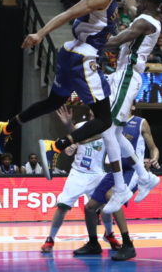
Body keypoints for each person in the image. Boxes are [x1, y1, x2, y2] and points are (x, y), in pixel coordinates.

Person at [0, 0, 129, 209]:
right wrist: (40, 33)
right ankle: (57, 146)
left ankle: (8, 126)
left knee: (55, 101)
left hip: (71, 54)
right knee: (104, 120)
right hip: (84, 58)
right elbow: (67, 15)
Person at [38, 107, 129, 260]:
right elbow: (73, 142)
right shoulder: (81, 126)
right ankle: (50, 239)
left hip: (97, 174)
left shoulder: (108, 130)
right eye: (93, 112)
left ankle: (109, 234)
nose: (94, 114)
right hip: (78, 173)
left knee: (107, 206)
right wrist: (68, 129)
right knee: (62, 206)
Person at [102, 0, 162, 205]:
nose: (136, 1)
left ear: (148, 3)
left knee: (108, 128)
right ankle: (145, 177)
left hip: (128, 75)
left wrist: (90, 41)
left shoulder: (145, 22)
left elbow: (117, 40)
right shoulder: (147, 18)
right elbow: (130, 5)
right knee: (115, 134)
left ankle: (121, 188)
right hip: (124, 75)